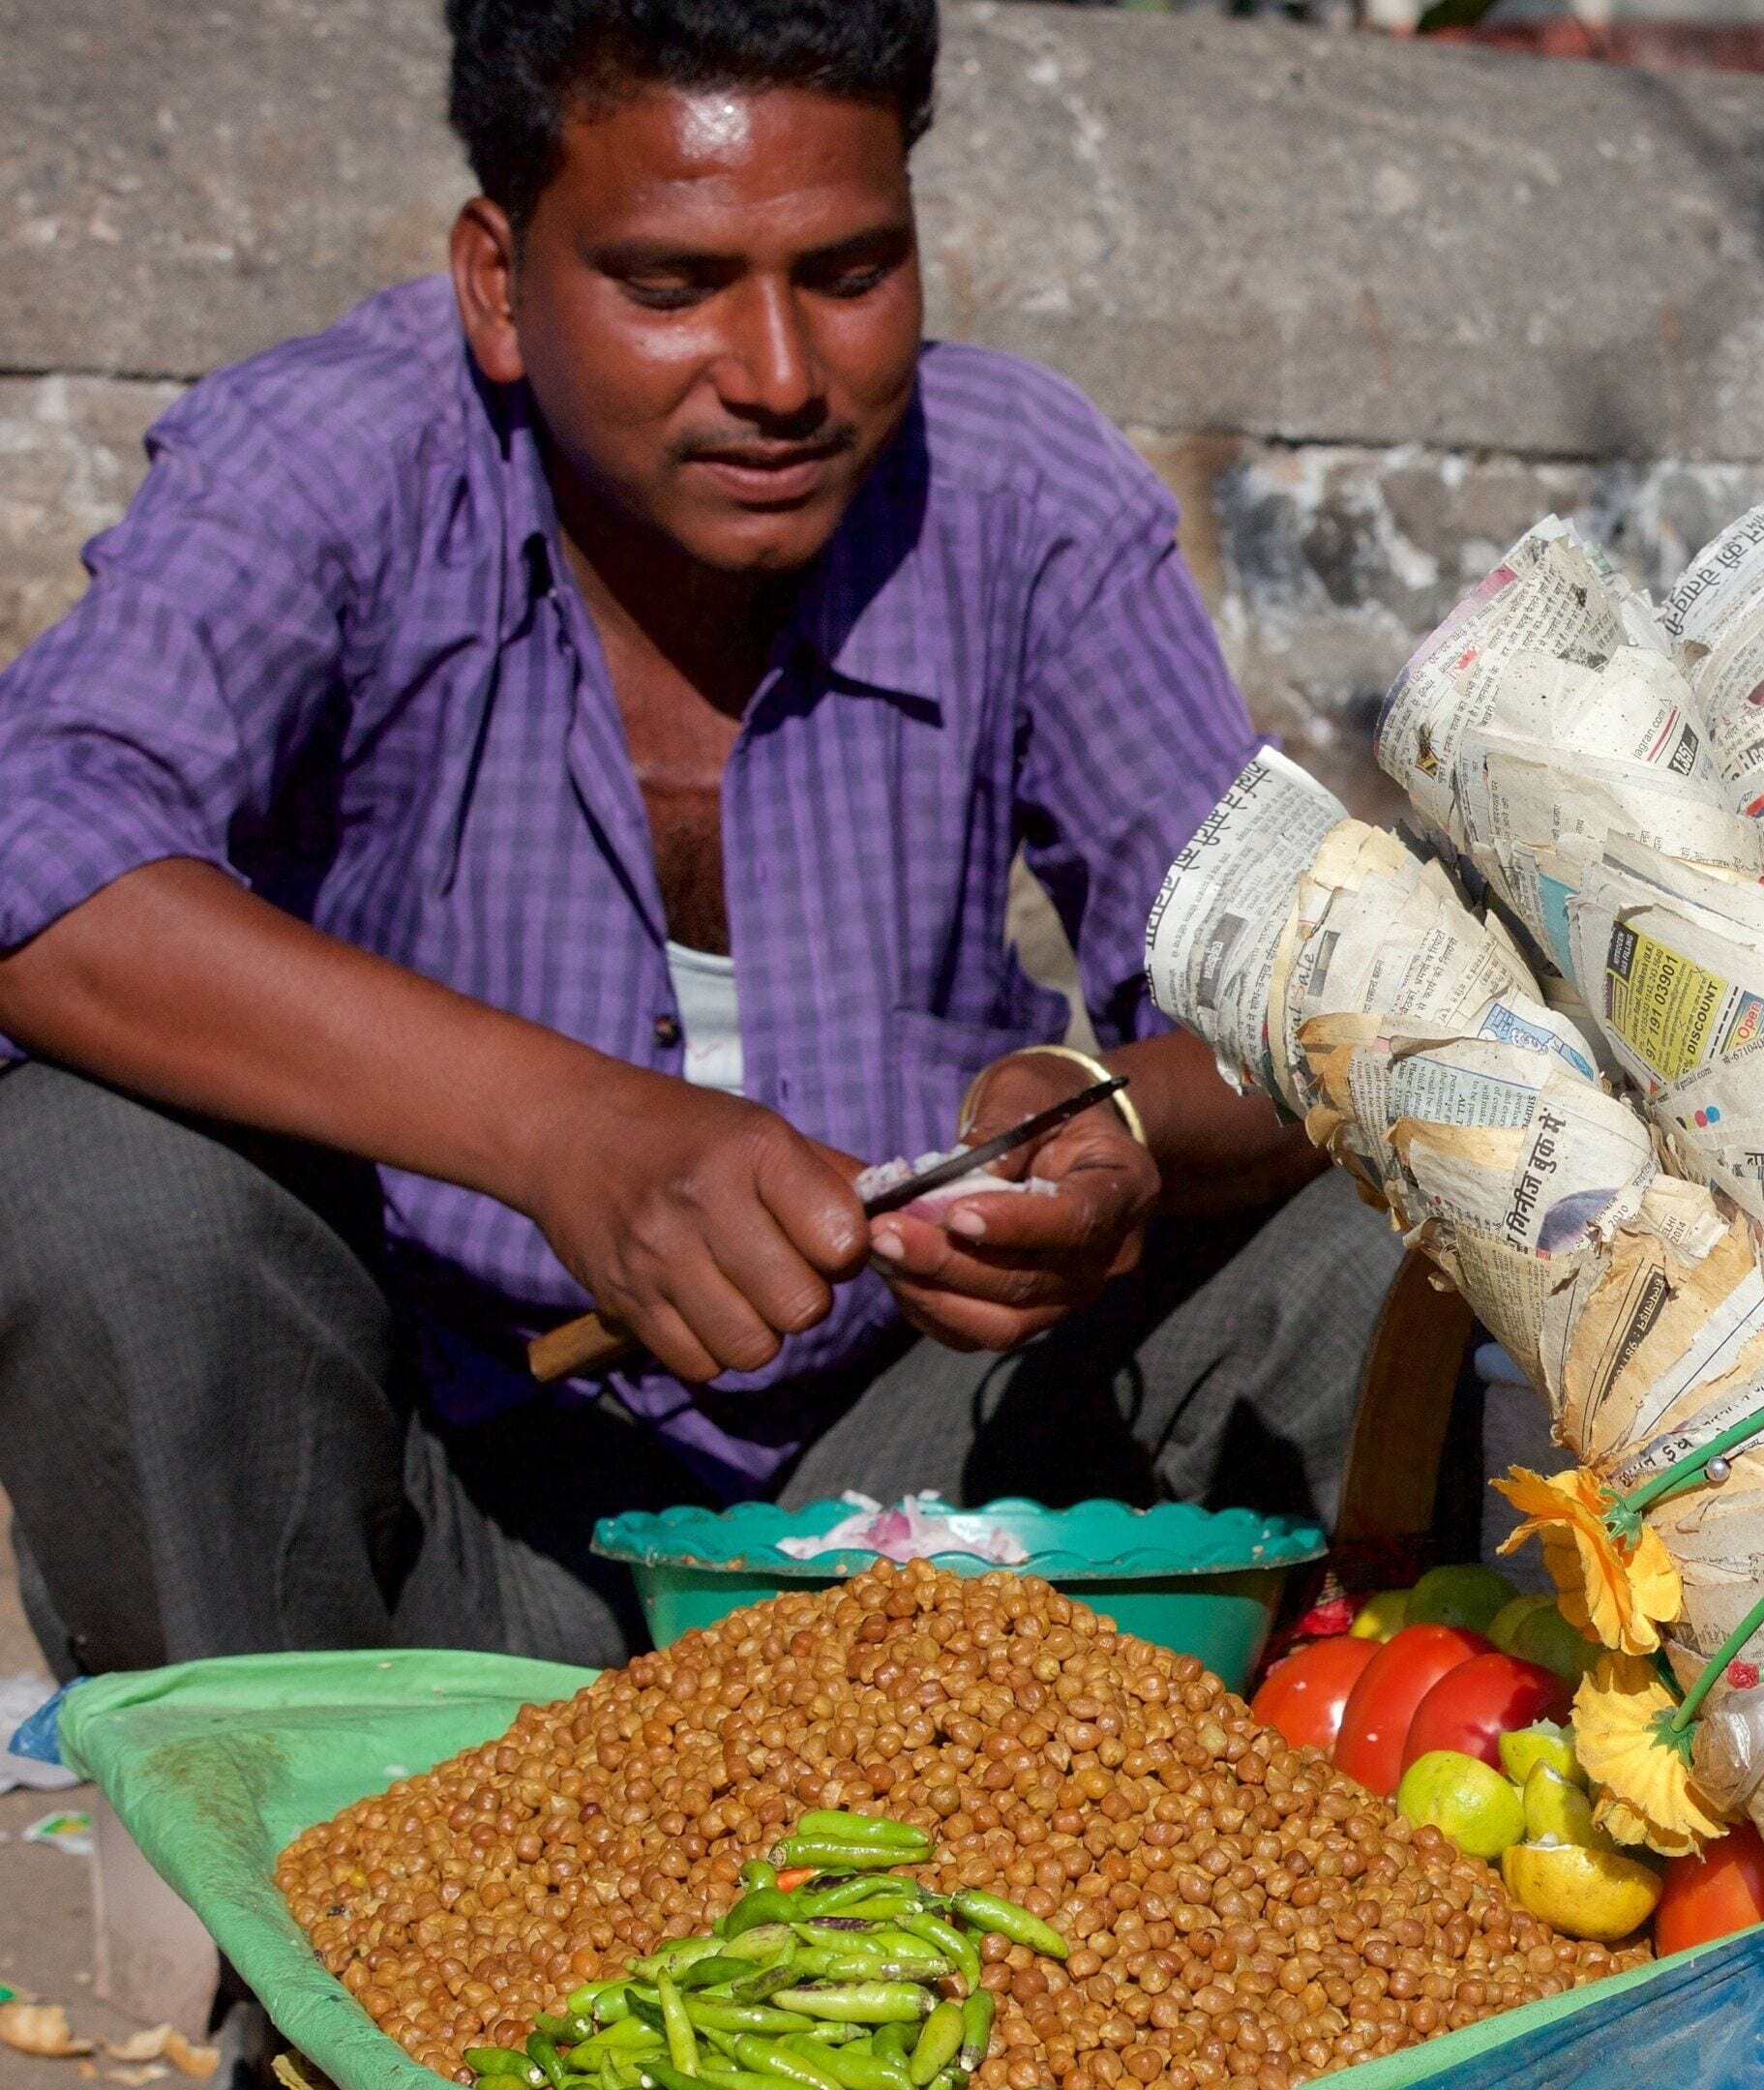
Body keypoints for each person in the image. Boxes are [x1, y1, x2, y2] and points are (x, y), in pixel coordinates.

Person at [0, 0, 1401, 1676]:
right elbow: (42, 853)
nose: (781, 379)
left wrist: (1112, 1125)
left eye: (850, 274)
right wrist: (564, 1134)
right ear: (497, 286)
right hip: (435, 1516)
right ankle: (273, 1828)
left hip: (916, 1512)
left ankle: (1364, 1807)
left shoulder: (1021, 496)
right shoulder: (334, 458)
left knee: (1391, 1214)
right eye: (671, 288)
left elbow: (1307, 1005)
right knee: (97, 1178)